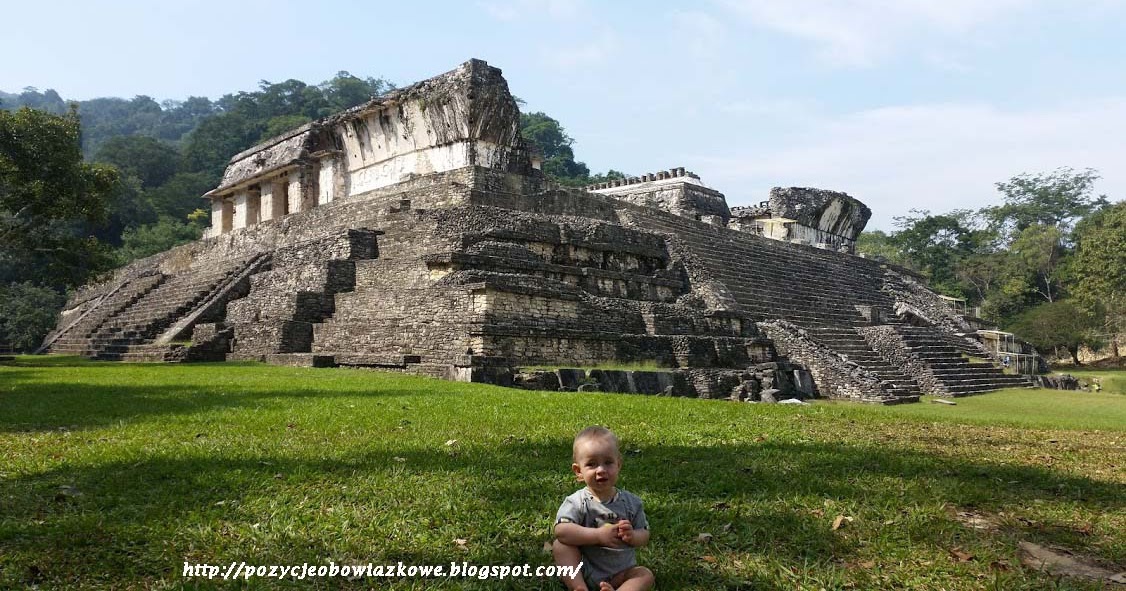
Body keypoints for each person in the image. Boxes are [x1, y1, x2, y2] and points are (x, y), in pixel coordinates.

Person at [553, 426, 655, 591]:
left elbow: (644, 535)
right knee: (561, 546)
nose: (601, 470)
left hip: (621, 573)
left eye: (608, 462)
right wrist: (598, 536)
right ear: (578, 471)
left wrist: (632, 536)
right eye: (592, 464)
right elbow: (561, 531)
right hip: (585, 569)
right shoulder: (577, 502)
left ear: (618, 464)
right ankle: (578, 587)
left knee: (644, 574)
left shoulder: (631, 503)